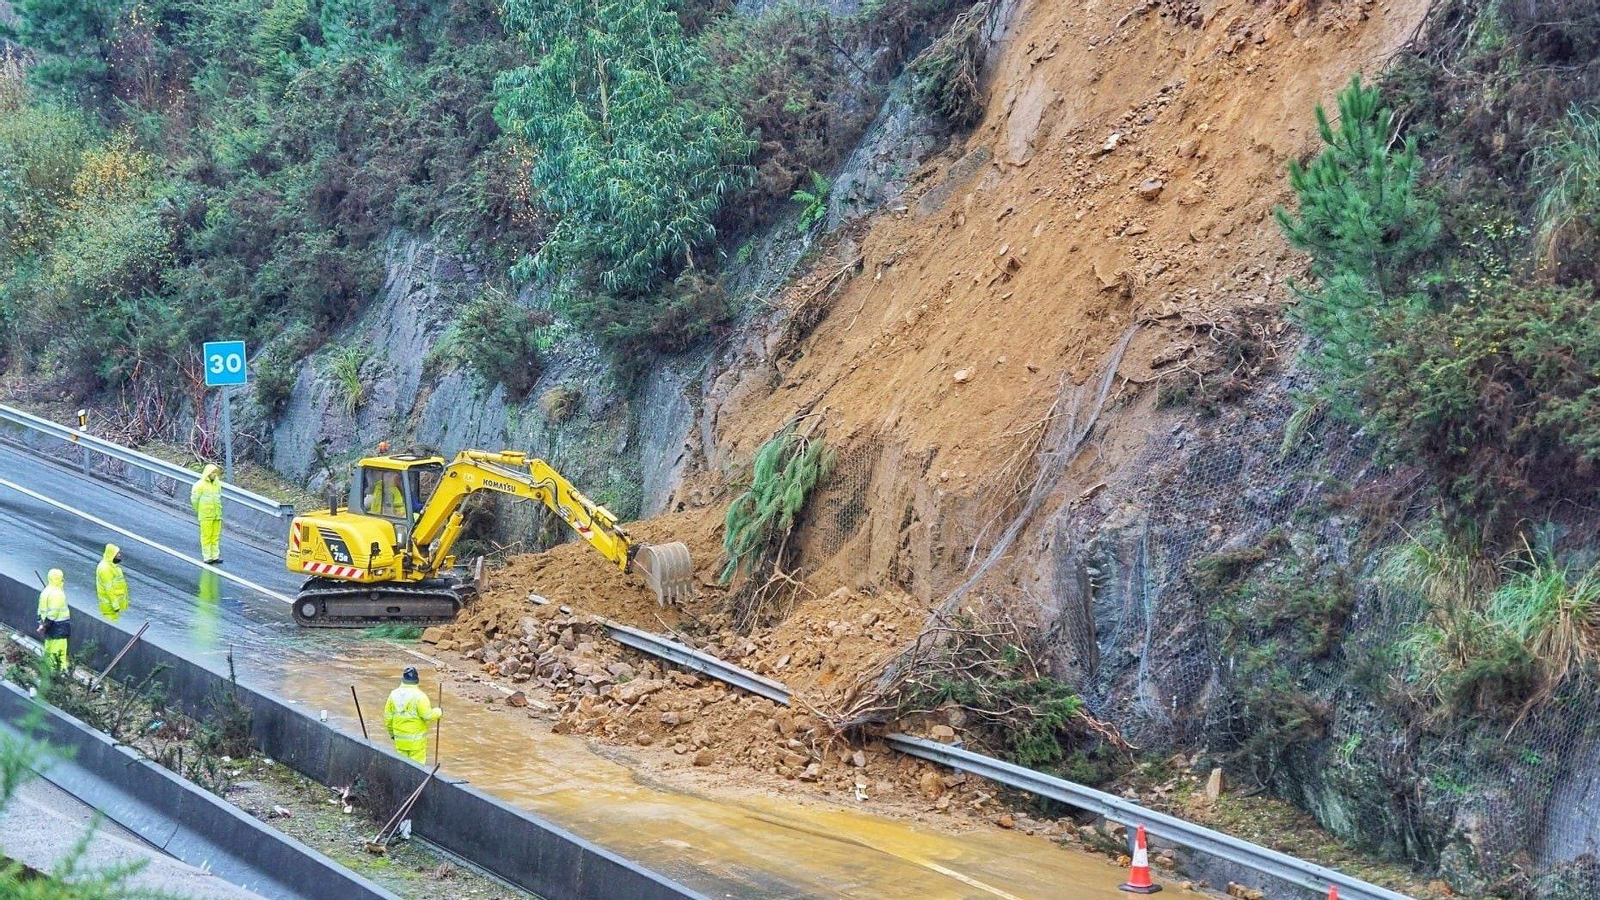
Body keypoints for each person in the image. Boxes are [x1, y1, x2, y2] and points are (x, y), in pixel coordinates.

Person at [383, 667, 441, 764]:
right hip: (416, 743)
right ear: (416, 681)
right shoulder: (420, 697)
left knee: (401, 767)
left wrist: (392, 734)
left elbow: (388, 718)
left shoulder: (393, 695)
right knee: (417, 769)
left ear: (403, 680)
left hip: (400, 740)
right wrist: (439, 712)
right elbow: (427, 715)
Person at [36, 568, 70, 670]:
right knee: (59, 654)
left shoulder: (46, 591)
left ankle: (46, 672)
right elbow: (53, 613)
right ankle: (58, 674)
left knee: (49, 651)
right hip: (59, 627)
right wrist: (46, 625)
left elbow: (40, 610)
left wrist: (42, 624)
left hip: (49, 628)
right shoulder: (58, 594)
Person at [190, 464, 223, 564]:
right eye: (213, 472)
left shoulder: (217, 484)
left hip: (217, 514)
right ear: (208, 473)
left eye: (215, 472)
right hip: (206, 515)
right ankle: (207, 556)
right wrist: (200, 510)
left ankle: (215, 556)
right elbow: (194, 500)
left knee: (215, 535)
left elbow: (219, 497)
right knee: (206, 536)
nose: (215, 474)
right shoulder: (200, 485)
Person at [96, 543, 129, 622]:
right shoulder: (105, 569)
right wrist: (115, 606)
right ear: (112, 555)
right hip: (110, 608)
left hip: (113, 606)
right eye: (117, 554)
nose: (120, 555)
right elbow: (108, 589)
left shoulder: (112, 566)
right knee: (111, 623)